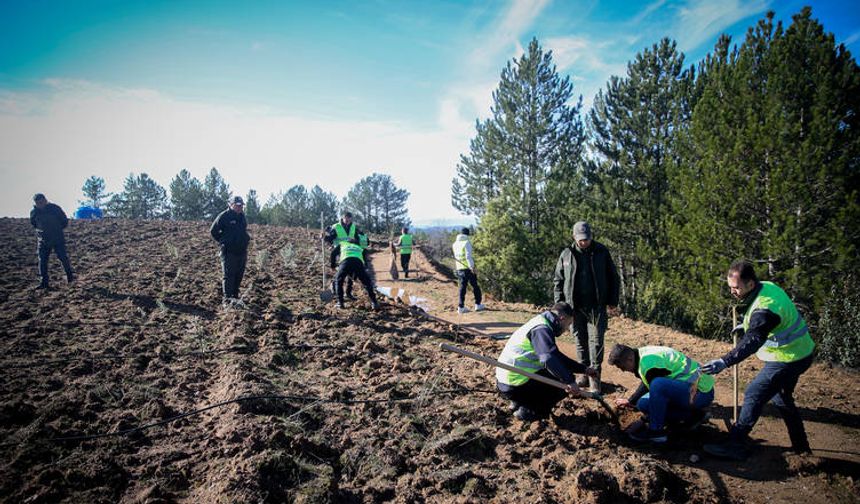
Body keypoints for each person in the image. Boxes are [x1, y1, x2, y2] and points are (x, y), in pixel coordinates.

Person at [701, 260, 815, 460]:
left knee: (754, 392)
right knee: (781, 396)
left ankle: (735, 444)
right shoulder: (766, 287)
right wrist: (747, 327)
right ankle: (802, 448)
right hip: (802, 351)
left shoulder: (765, 308)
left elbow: (753, 341)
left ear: (750, 284)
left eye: (736, 288)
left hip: (789, 358)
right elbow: (761, 325)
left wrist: (724, 362)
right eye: (730, 287)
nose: (732, 292)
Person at [496, 302, 595, 421]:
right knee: (561, 386)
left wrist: (583, 369)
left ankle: (518, 402)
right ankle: (529, 411)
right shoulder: (542, 329)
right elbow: (548, 358)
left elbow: (556, 356)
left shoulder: (540, 321)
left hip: (506, 380)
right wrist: (569, 381)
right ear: (562, 318)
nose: (567, 329)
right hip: (514, 383)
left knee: (560, 373)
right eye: (568, 324)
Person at [553, 221, 620, 392]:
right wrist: (559, 305)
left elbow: (613, 277)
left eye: (587, 239)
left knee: (596, 342)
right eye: (581, 239)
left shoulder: (601, 252)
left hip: (596, 307)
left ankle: (595, 379)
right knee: (580, 341)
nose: (584, 242)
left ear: (591, 237)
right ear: (574, 237)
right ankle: (583, 374)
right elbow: (558, 281)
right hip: (573, 308)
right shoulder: (566, 254)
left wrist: (613, 301)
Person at [608, 344, 715, 444]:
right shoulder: (642, 356)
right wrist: (631, 400)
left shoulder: (648, 364)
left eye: (622, 367)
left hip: (701, 392)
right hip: (688, 389)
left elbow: (656, 385)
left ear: (629, 359)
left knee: (658, 385)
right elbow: (647, 382)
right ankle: (693, 416)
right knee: (643, 404)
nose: (622, 370)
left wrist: (643, 420)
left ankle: (656, 433)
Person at [210, 196, 250, 307]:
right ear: (231, 205)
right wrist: (224, 241)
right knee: (229, 275)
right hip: (228, 251)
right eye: (237, 205)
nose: (239, 207)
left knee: (239, 275)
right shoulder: (224, 216)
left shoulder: (242, 216)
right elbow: (213, 231)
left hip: (241, 251)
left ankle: (235, 298)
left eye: (241, 205)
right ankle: (227, 300)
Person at [30, 193, 74, 289]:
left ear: (45, 200)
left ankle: (70, 277)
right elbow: (34, 224)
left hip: (57, 238)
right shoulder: (34, 213)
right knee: (42, 261)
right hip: (43, 240)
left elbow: (64, 221)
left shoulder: (55, 209)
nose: (40, 204)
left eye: (42, 202)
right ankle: (44, 282)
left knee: (63, 257)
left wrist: (57, 230)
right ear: (36, 203)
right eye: (38, 203)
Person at [335, 237, 379, 310]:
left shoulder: (343, 244)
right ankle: (374, 302)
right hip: (358, 263)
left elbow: (333, 254)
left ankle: (340, 303)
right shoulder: (360, 248)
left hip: (345, 262)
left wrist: (333, 265)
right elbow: (364, 263)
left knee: (339, 281)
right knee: (367, 283)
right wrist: (361, 275)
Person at [452, 228, 484, 313]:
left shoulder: (455, 244)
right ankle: (478, 304)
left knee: (462, 287)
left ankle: (461, 306)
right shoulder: (466, 243)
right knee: (475, 286)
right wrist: (472, 267)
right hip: (468, 269)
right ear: (467, 235)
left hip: (459, 268)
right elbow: (468, 256)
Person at [345, 231, 374, 300]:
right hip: (361, 250)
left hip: (357, 250)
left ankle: (354, 280)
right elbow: (368, 242)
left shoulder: (357, 236)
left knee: (356, 270)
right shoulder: (365, 236)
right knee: (362, 264)